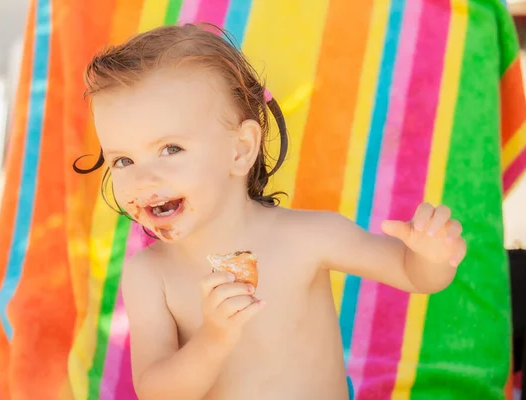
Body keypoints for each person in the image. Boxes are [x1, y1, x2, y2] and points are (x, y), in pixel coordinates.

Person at [74, 23, 467, 400]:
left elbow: (412, 273)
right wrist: (212, 341)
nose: (143, 178)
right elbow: (156, 390)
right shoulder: (150, 274)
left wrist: (432, 257)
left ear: (240, 149)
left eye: (170, 149)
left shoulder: (308, 237)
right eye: (123, 160)